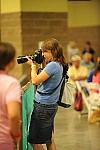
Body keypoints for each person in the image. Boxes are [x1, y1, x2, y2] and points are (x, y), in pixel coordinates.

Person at [27, 38, 66, 150]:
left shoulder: (53, 65)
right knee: (49, 139)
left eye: (45, 51)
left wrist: (33, 66)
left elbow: (35, 81)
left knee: (34, 141)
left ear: (53, 51)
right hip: (50, 105)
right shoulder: (59, 64)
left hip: (43, 107)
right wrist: (42, 63)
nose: (43, 54)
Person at [0, 42, 22, 150]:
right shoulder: (11, 83)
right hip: (3, 140)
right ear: (10, 62)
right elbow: (13, 115)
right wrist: (16, 134)